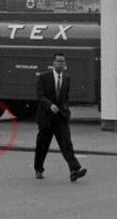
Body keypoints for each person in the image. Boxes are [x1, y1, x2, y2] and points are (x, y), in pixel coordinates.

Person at [33, 52, 87, 182]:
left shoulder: (67, 79)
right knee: (42, 145)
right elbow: (40, 95)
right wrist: (50, 105)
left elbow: (65, 98)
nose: (60, 64)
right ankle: (38, 169)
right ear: (53, 63)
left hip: (60, 118)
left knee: (66, 144)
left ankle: (74, 170)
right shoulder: (44, 77)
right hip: (46, 117)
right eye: (58, 61)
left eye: (62, 62)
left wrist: (66, 110)